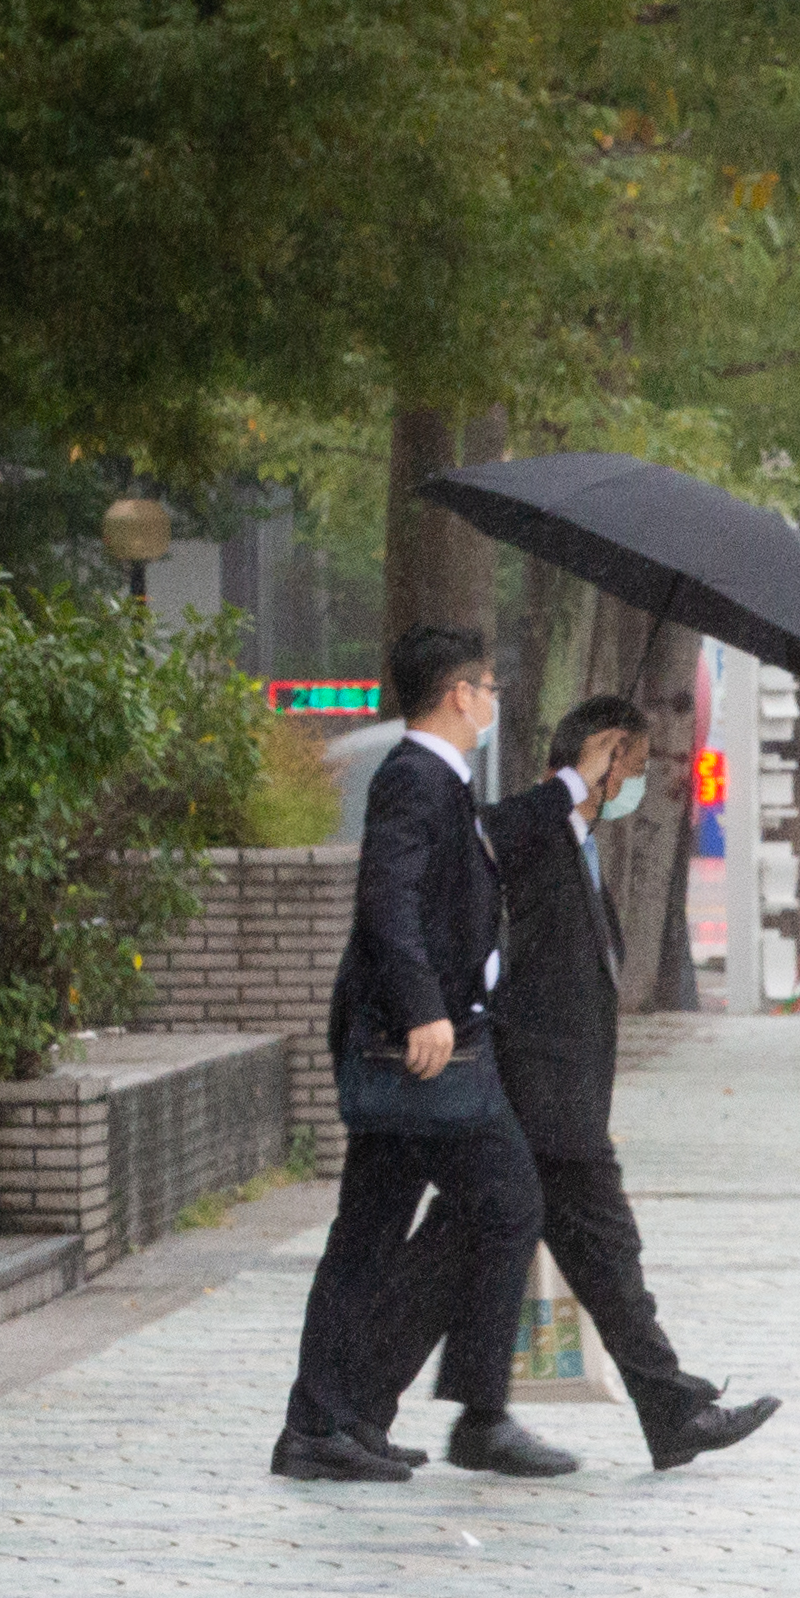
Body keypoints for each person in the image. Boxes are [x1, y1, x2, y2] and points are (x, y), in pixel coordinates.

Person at [368, 695, 782, 1472]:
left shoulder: (580, 844)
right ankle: (656, 1411)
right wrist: (571, 782)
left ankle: (368, 1408)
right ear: (606, 754)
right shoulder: (533, 836)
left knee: (475, 1254)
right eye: (638, 763)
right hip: (540, 1099)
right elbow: (485, 833)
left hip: (559, 1102)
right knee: (585, 1255)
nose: (643, 783)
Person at [273, 624, 567, 1483]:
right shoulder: (414, 777)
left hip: (423, 1048)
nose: (493, 701)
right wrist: (422, 1011)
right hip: (424, 1051)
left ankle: (329, 1420)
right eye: (488, 687)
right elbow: (388, 901)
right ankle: (476, 1414)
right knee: (509, 1202)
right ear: (457, 694)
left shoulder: (440, 780)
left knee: (365, 1233)